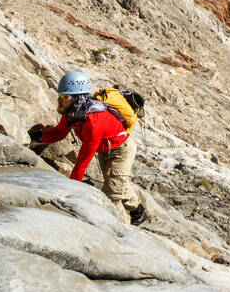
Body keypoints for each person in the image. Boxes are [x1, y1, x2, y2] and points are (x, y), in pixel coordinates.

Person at [29, 70, 148, 225]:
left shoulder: (93, 121)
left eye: (65, 97)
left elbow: (84, 159)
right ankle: (138, 212)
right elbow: (59, 132)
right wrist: (38, 137)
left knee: (111, 193)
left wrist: (71, 187)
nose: (59, 100)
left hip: (121, 150)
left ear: (77, 99)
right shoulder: (72, 114)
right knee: (115, 183)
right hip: (106, 149)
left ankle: (120, 230)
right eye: (60, 95)